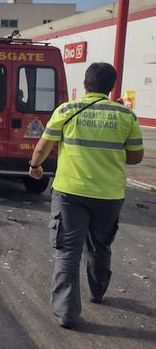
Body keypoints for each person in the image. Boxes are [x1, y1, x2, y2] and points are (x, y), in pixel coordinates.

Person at [28, 62, 144, 329]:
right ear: (111, 86)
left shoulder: (67, 110)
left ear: (86, 84)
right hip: (109, 194)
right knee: (100, 245)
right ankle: (98, 290)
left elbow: (42, 146)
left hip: (71, 191)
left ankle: (67, 312)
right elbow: (136, 157)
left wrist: (35, 167)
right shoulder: (126, 115)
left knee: (68, 251)